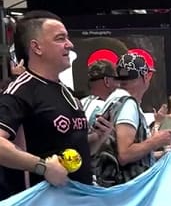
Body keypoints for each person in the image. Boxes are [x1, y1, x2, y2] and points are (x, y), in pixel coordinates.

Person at [0, 11, 101, 188]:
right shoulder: (22, 90)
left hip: (78, 204)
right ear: (36, 47)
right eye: (60, 38)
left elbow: (71, 150)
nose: (69, 45)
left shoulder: (67, 92)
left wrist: (98, 137)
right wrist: (41, 167)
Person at [94, 52, 171, 186]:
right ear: (146, 76)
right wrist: (155, 141)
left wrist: (158, 154)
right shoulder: (128, 105)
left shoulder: (115, 99)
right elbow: (124, 155)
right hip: (127, 189)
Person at [81, 59, 119, 128]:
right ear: (106, 81)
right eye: (116, 79)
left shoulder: (80, 104)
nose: (119, 84)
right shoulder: (110, 108)